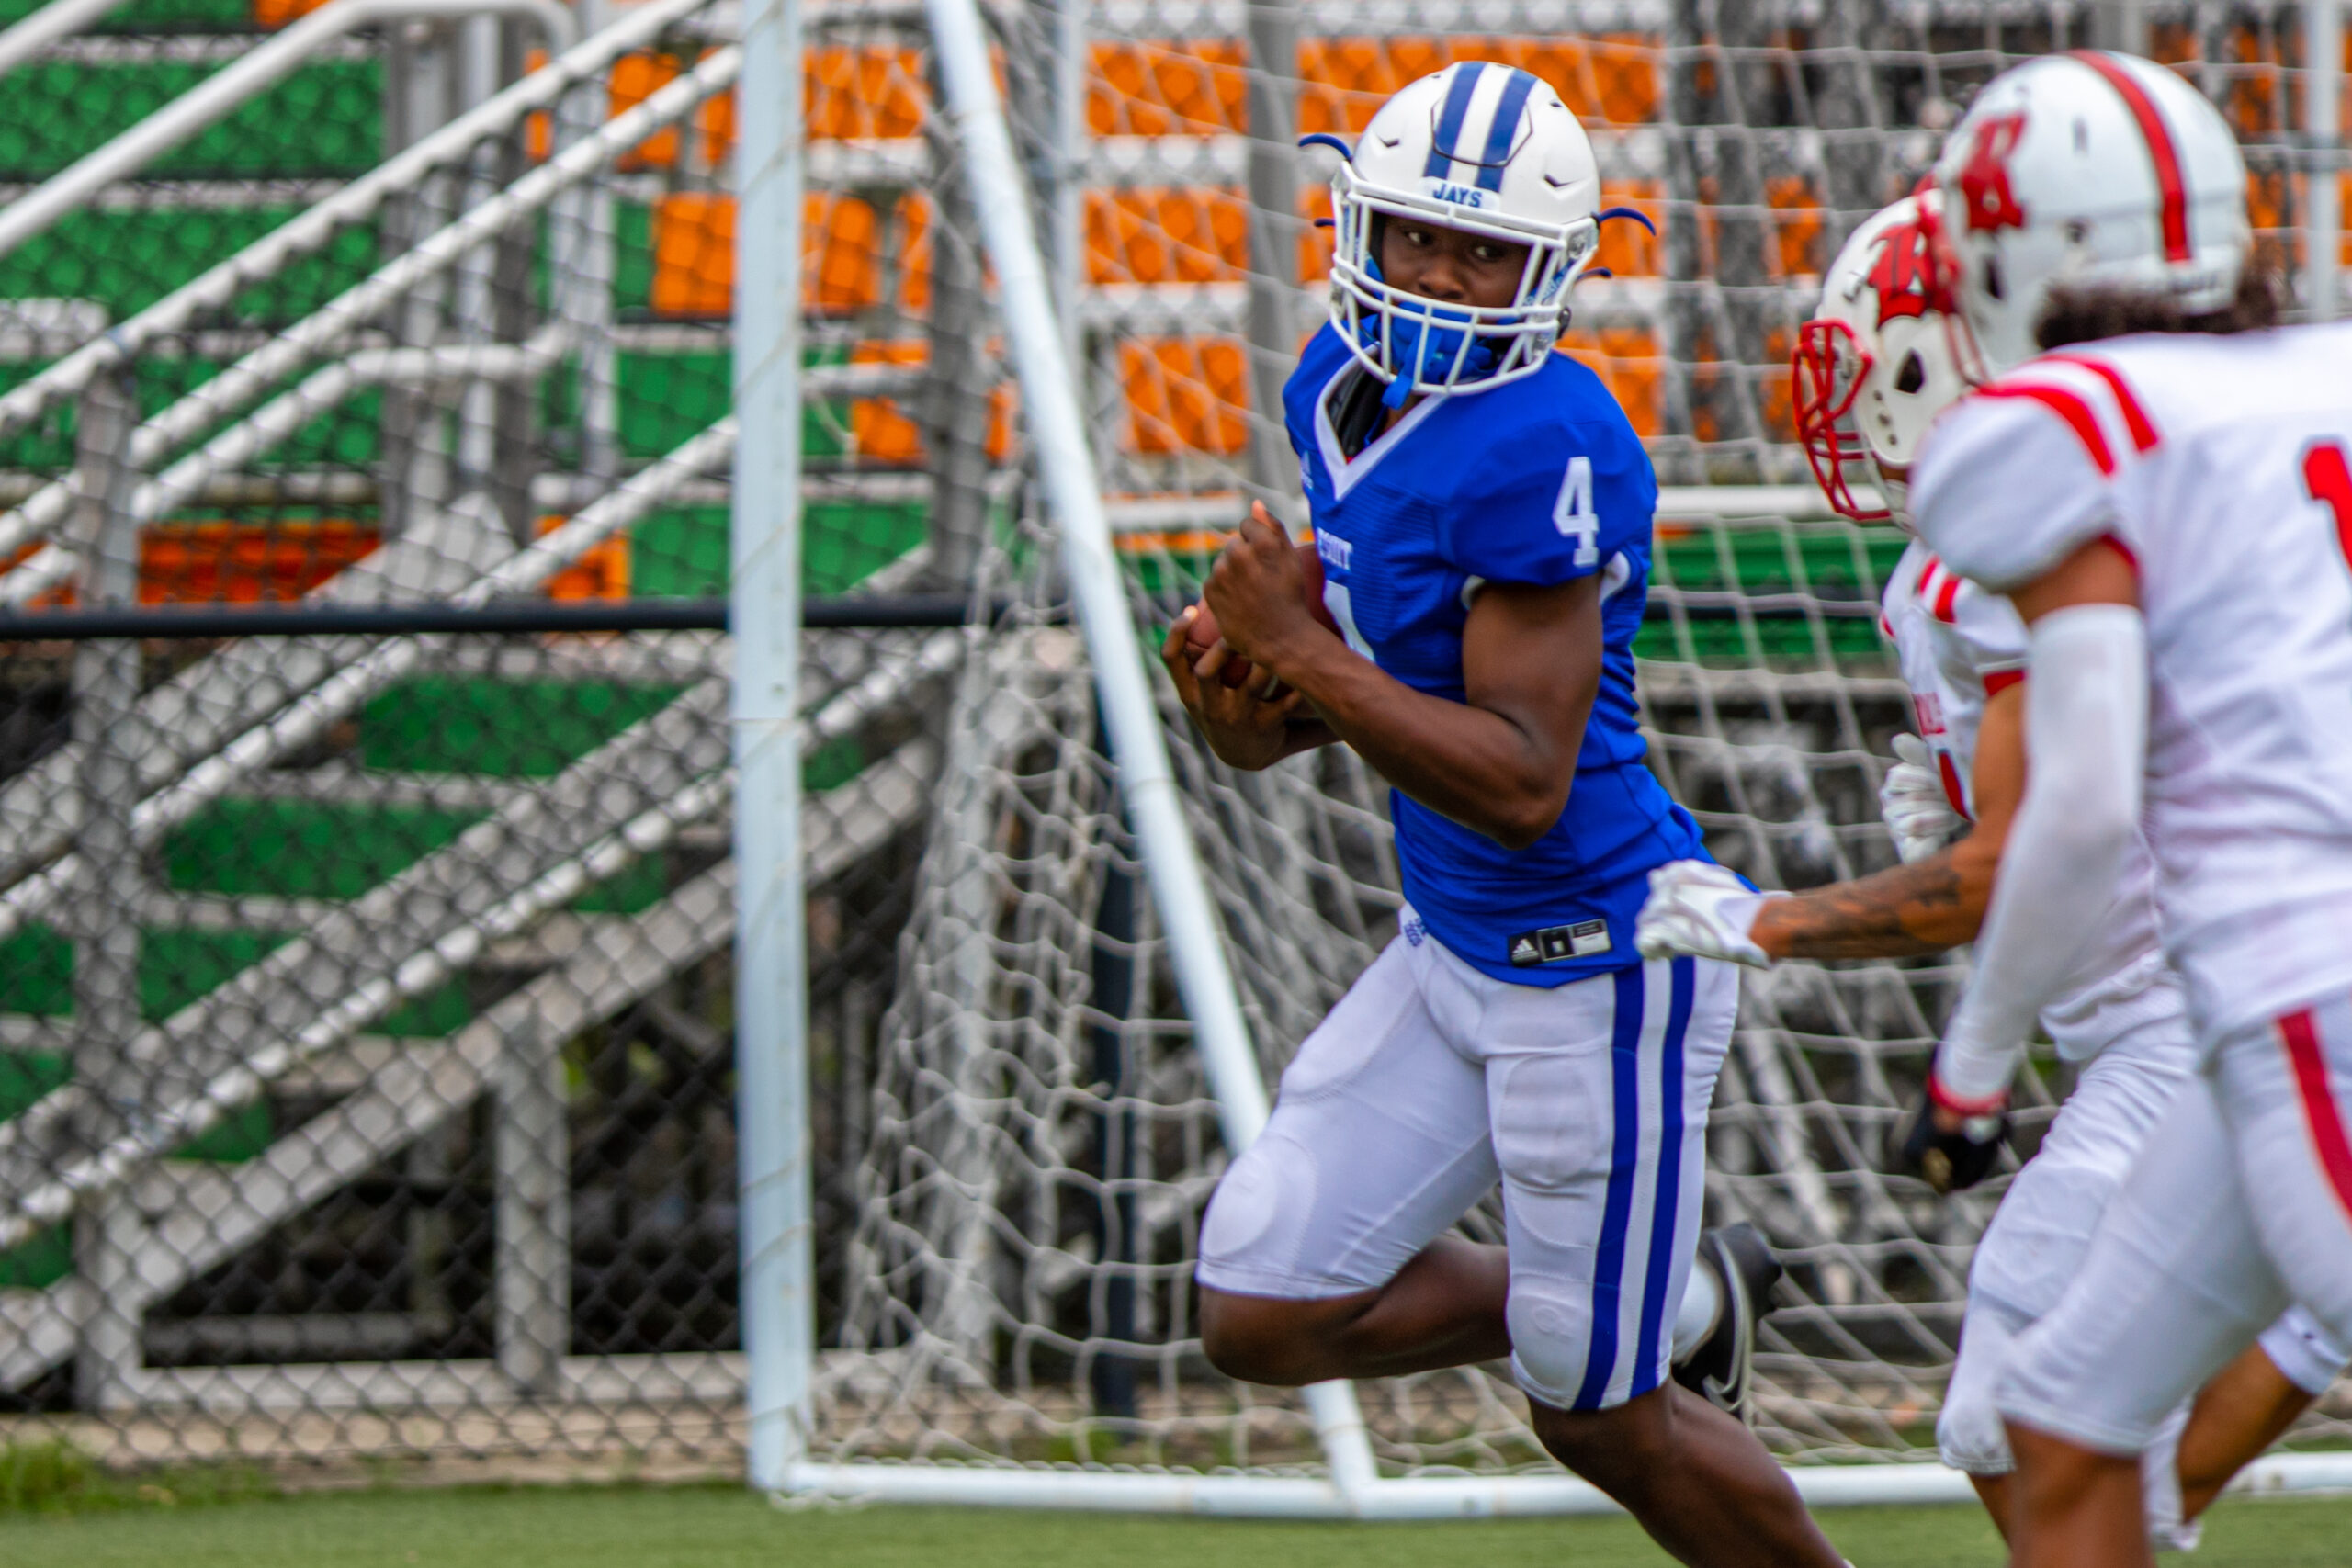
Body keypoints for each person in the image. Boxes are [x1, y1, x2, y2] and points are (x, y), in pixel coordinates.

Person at [1161, 62, 1843, 1568]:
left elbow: (1524, 782)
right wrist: (1238, 707)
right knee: (1262, 1308)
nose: (1444, 278)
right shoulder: (1328, 387)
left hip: (1600, 959)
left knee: (1594, 1416)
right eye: (1417, 239)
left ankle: (1637, 1329)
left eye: (1487, 254)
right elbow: (1317, 723)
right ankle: (1670, 1299)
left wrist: (1299, 653)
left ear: (1551, 271)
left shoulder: (1548, 438)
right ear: (1363, 225)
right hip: (1451, 941)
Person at [1634, 188, 2349, 1550]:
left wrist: (1768, 919)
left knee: (2024, 1412)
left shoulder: (1998, 555)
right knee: (2048, 1422)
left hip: (2204, 1014)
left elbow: (2034, 849)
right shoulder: (2176, 470)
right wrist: (1977, 805)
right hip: (2185, 1018)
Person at [1882, 50, 2352, 1567]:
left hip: (2307, 973)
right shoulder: (2322, 367)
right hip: (2244, 1029)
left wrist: (1968, 1075)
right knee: (2066, 1424)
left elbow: (2078, 812)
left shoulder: (2059, 426)